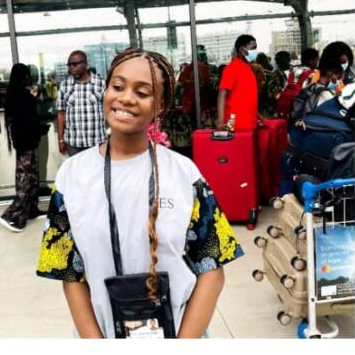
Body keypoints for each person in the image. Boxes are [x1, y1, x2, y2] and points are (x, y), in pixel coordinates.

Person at [36, 48, 242, 338]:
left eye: (142, 92)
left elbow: (212, 269)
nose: (126, 98)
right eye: (118, 86)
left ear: (160, 106)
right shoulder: (71, 176)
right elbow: (69, 273)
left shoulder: (184, 174)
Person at [0, 64, 45, 232]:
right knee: (25, 179)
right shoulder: (21, 96)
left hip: (25, 142)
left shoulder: (14, 95)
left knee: (32, 177)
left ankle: (32, 209)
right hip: (27, 143)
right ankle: (12, 216)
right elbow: (28, 119)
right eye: (26, 75)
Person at [57, 50, 106, 157]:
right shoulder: (65, 85)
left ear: (86, 64)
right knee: (76, 168)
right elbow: (61, 114)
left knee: (96, 168)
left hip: (96, 141)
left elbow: (109, 110)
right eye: (69, 65)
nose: (71, 68)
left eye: (75, 64)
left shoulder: (100, 83)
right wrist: (60, 140)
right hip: (73, 143)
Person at [216, 35, 258, 130]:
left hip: (249, 123)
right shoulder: (231, 69)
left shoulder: (248, 68)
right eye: (253, 48)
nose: (255, 51)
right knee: (236, 140)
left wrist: (258, 116)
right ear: (242, 49)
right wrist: (221, 120)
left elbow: (248, 96)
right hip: (234, 124)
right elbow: (222, 94)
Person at [177, 45, 215, 126]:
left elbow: (179, 85)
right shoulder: (204, 68)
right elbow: (209, 85)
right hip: (196, 103)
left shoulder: (188, 68)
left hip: (193, 103)